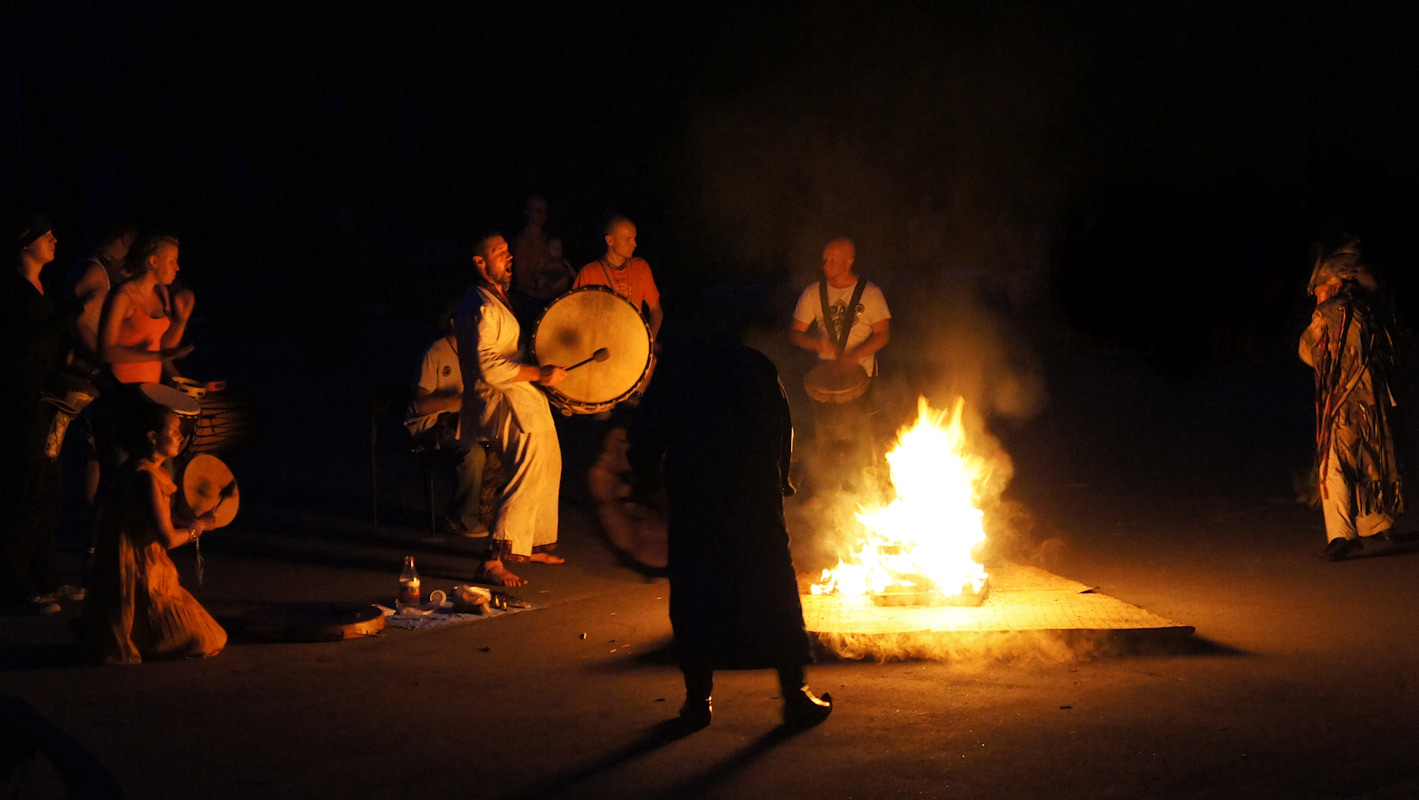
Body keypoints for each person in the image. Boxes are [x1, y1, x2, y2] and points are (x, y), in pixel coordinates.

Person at [628, 340, 833, 730]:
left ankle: (696, 702)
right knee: (774, 589)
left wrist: (646, 479)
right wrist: (782, 479)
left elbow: (647, 429)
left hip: (695, 493)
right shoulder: (756, 364)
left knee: (694, 592)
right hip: (753, 492)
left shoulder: (678, 367)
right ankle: (794, 695)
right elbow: (784, 424)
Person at [76, 384, 226, 664]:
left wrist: (195, 519)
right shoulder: (145, 477)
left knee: (212, 633)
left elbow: (156, 518)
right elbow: (167, 538)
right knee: (207, 639)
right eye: (174, 431)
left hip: (138, 567)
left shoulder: (140, 468)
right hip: (139, 573)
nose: (181, 437)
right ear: (152, 436)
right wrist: (197, 528)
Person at [454, 232, 568, 587]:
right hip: (502, 401)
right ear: (479, 262)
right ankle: (493, 559)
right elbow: (487, 366)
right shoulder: (480, 306)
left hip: (523, 396)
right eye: (498, 251)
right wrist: (539, 373)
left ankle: (527, 542)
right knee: (526, 469)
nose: (509, 256)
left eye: (507, 250)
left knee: (549, 460)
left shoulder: (500, 297)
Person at [1300, 239, 1407, 561]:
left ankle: (1342, 535)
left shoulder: (1330, 311)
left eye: (1319, 289)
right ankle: (1378, 522)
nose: (1316, 296)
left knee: (1333, 465)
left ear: (1334, 285)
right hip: (1375, 404)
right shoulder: (1374, 310)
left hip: (1344, 402)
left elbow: (1309, 351)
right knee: (1372, 457)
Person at [0, 214, 68, 615]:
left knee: (49, 488)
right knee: (24, 491)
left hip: (49, 404)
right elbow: (20, 350)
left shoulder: (42, 286)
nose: (54, 239)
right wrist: (71, 315)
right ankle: (16, 585)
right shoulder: (11, 291)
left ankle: (45, 578)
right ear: (25, 244)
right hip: (23, 405)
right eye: (46, 235)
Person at [790, 238, 891, 485]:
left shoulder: (871, 293)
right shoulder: (813, 293)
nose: (826, 264)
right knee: (826, 438)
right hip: (826, 382)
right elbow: (796, 333)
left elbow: (883, 335)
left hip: (862, 377)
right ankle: (829, 489)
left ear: (849, 260)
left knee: (861, 435)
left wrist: (855, 356)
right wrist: (816, 344)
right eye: (825, 259)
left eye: (833, 259)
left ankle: (865, 487)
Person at [405, 312, 488, 537]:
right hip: (430, 424)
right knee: (473, 454)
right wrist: (451, 402)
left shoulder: (472, 352)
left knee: (503, 444)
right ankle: (461, 520)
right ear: (452, 321)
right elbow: (419, 404)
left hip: (459, 421)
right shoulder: (436, 352)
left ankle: (487, 514)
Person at [97, 233, 194, 386]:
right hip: (122, 387)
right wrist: (157, 356)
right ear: (153, 261)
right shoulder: (124, 296)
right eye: (172, 261)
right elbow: (107, 352)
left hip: (150, 388)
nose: (177, 267)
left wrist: (182, 320)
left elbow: (165, 348)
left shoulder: (161, 292)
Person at [573, 216, 664, 339]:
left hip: (634, 344)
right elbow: (574, 315)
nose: (635, 244)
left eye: (634, 238)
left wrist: (649, 341)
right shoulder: (590, 272)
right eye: (628, 239)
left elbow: (656, 310)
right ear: (610, 240)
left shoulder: (640, 267)